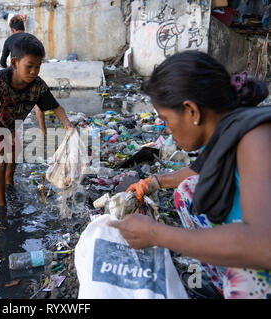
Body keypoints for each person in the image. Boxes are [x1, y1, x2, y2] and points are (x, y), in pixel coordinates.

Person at [108, 50, 271, 299]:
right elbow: (197, 171)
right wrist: (153, 183)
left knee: (247, 276)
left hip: (261, 247)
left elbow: (264, 245)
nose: (166, 128)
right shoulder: (226, 130)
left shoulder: (257, 139)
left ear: (192, 111)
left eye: (165, 119)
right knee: (188, 192)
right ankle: (219, 286)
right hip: (252, 236)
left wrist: (157, 234)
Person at [0, 36, 72, 215]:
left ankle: (9, 182)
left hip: (9, 122)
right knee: (0, 160)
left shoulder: (37, 86)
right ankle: (2, 205)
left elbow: (55, 106)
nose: (33, 71)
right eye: (29, 66)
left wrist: (67, 125)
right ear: (15, 62)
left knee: (15, 151)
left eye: (37, 67)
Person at [0, 14, 47, 135]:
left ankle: (12, 133)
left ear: (13, 30)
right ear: (23, 28)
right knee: (38, 103)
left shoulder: (9, 40)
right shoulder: (32, 38)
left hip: (16, 76)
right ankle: (44, 132)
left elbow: (2, 61)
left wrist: (6, 69)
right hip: (32, 73)